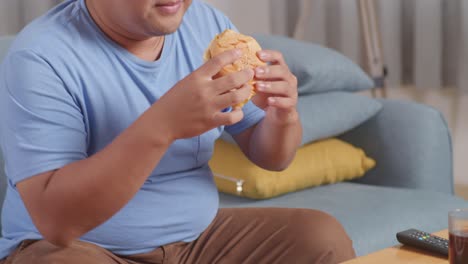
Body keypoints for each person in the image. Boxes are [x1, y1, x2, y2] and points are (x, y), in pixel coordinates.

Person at [0, 0, 356, 263]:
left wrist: (283, 115)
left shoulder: (205, 24)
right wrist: (163, 125)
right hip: (81, 249)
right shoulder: (41, 57)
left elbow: (272, 157)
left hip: (196, 242)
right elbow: (58, 224)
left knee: (319, 237)